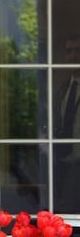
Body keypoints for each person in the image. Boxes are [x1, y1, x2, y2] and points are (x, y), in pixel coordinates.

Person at [53, 33, 80, 213]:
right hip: (62, 162)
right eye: (69, 52)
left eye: (78, 51)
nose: (73, 56)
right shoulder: (62, 90)